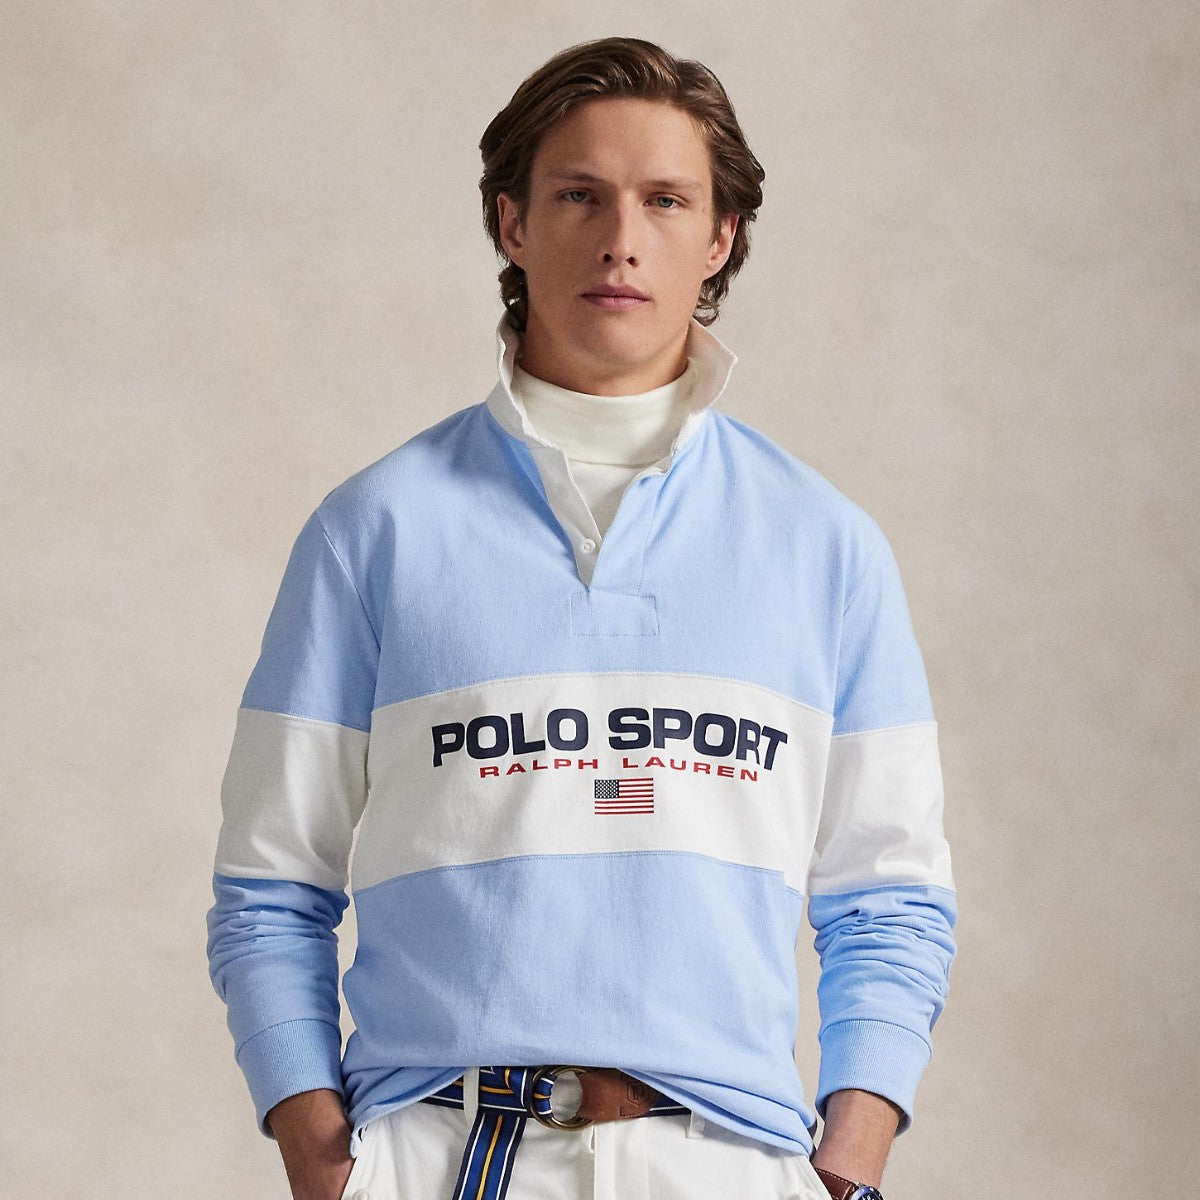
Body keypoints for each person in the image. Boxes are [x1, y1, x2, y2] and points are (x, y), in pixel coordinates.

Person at [206, 36, 957, 1200]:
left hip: (729, 1164)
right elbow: (269, 884)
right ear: (511, 223)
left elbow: (891, 897)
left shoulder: (826, 546)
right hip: (439, 1154)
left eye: (666, 200)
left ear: (720, 238)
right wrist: (319, 1150)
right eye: (579, 196)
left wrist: (849, 1163)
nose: (621, 239)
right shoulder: (374, 531)